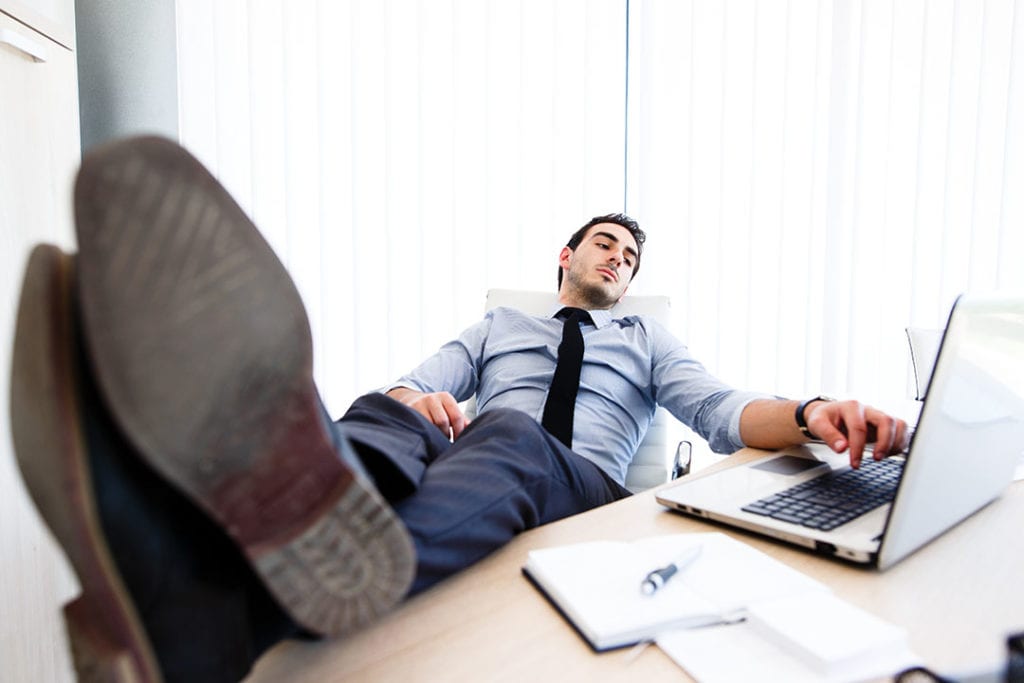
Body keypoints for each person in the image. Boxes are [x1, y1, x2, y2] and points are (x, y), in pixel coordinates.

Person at [10, 136, 908, 683]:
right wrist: (419, 397)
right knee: (388, 410)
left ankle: (238, 572)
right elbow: (412, 384)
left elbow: (721, 409)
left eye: (632, 257)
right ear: (566, 252)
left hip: (576, 484)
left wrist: (812, 410)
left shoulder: (647, 339)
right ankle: (225, 562)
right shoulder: (497, 324)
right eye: (606, 243)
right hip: (467, 457)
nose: (620, 260)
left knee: (507, 432)